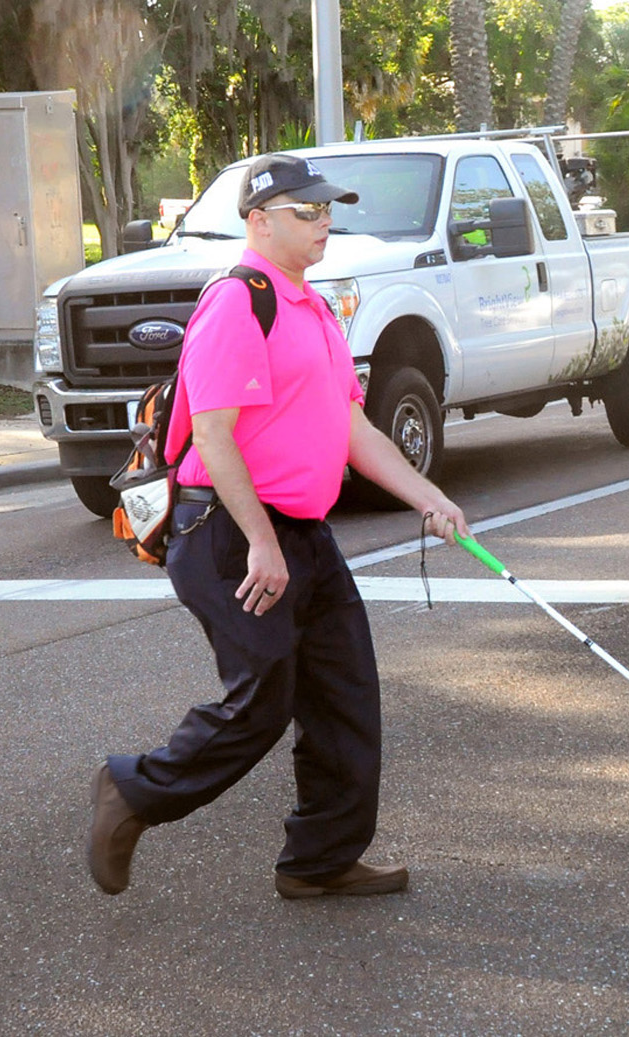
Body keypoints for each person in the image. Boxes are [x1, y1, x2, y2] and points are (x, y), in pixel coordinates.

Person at [86, 153, 470, 899]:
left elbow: (352, 428)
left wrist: (427, 495)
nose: (324, 222)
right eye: (307, 211)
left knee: (344, 692)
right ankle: (131, 791)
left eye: (328, 210)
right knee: (261, 700)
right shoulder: (238, 302)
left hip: (303, 532)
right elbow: (218, 436)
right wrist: (261, 541)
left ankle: (320, 859)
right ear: (259, 220)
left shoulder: (313, 305)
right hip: (229, 534)